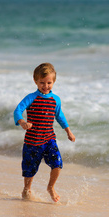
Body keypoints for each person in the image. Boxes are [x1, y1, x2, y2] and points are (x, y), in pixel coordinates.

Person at [14, 63, 75, 202]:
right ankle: (27, 189)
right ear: (35, 81)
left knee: (57, 163)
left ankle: (51, 187)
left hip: (49, 139)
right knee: (30, 170)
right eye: (42, 82)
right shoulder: (31, 98)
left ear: (54, 82)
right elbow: (17, 110)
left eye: (49, 82)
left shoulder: (55, 100)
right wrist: (22, 122)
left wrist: (68, 131)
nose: (45, 86)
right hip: (32, 141)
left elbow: (59, 116)